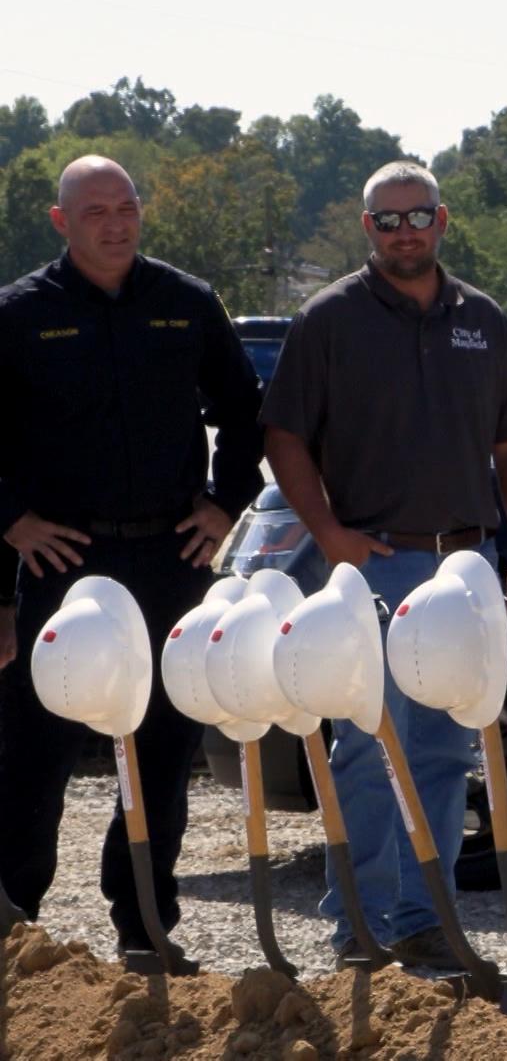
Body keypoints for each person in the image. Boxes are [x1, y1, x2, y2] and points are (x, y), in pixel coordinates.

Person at [260, 160, 507, 971]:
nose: (404, 231)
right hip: (372, 566)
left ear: (443, 221)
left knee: (448, 749)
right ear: (367, 231)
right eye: (387, 221)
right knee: (365, 744)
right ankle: (359, 927)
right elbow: (282, 435)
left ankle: (429, 925)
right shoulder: (329, 320)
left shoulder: (483, 322)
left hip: (465, 567)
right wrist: (330, 532)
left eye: (417, 216)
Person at [0, 155, 264, 958]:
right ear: (61, 222)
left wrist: (225, 503)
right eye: (94, 212)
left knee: (161, 749)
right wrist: (11, 522)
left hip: (169, 559)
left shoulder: (185, 303)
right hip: (59, 566)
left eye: (126, 207)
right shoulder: (17, 313)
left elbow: (248, 413)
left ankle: (146, 927)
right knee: (34, 751)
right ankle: (12, 922)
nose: (114, 224)